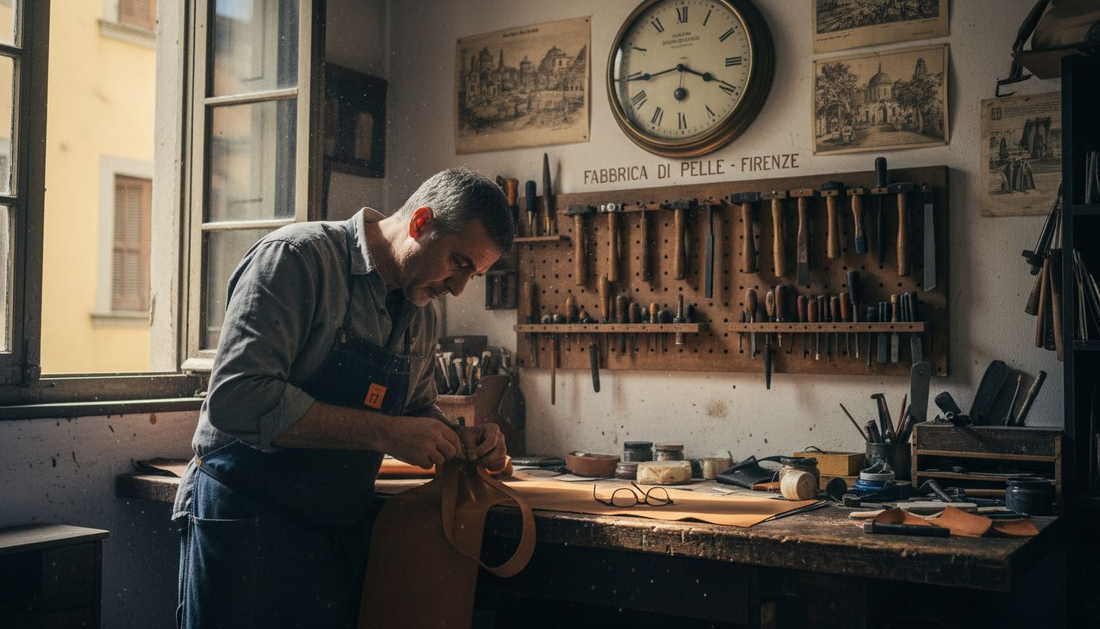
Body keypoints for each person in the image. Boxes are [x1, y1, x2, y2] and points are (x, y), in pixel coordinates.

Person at [172, 168, 515, 628]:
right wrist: (389, 433)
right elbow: (238, 398)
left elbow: (413, 410)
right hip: (247, 522)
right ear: (420, 222)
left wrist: (459, 439)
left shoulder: (422, 312)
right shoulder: (297, 259)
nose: (458, 288)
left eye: (474, 274)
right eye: (460, 263)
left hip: (331, 535)